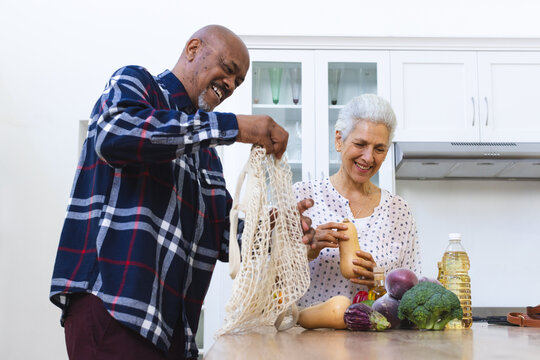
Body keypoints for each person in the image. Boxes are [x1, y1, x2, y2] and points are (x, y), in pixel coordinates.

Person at [50, 25, 315, 360]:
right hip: (114, 310)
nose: (231, 85)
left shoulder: (206, 153)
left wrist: (274, 230)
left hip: (173, 331)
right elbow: (115, 135)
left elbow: (224, 238)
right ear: (193, 49)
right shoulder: (136, 84)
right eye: (228, 70)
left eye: (238, 81)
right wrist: (236, 127)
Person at [294, 94, 421, 308]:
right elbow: (266, 280)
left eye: (379, 149)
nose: (368, 157)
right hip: (308, 337)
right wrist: (304, 253)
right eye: (360, 144)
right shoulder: (302, 196)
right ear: (338, 140)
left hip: (380, 338)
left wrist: (382, 282)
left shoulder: (399, 211)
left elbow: (413, 296)